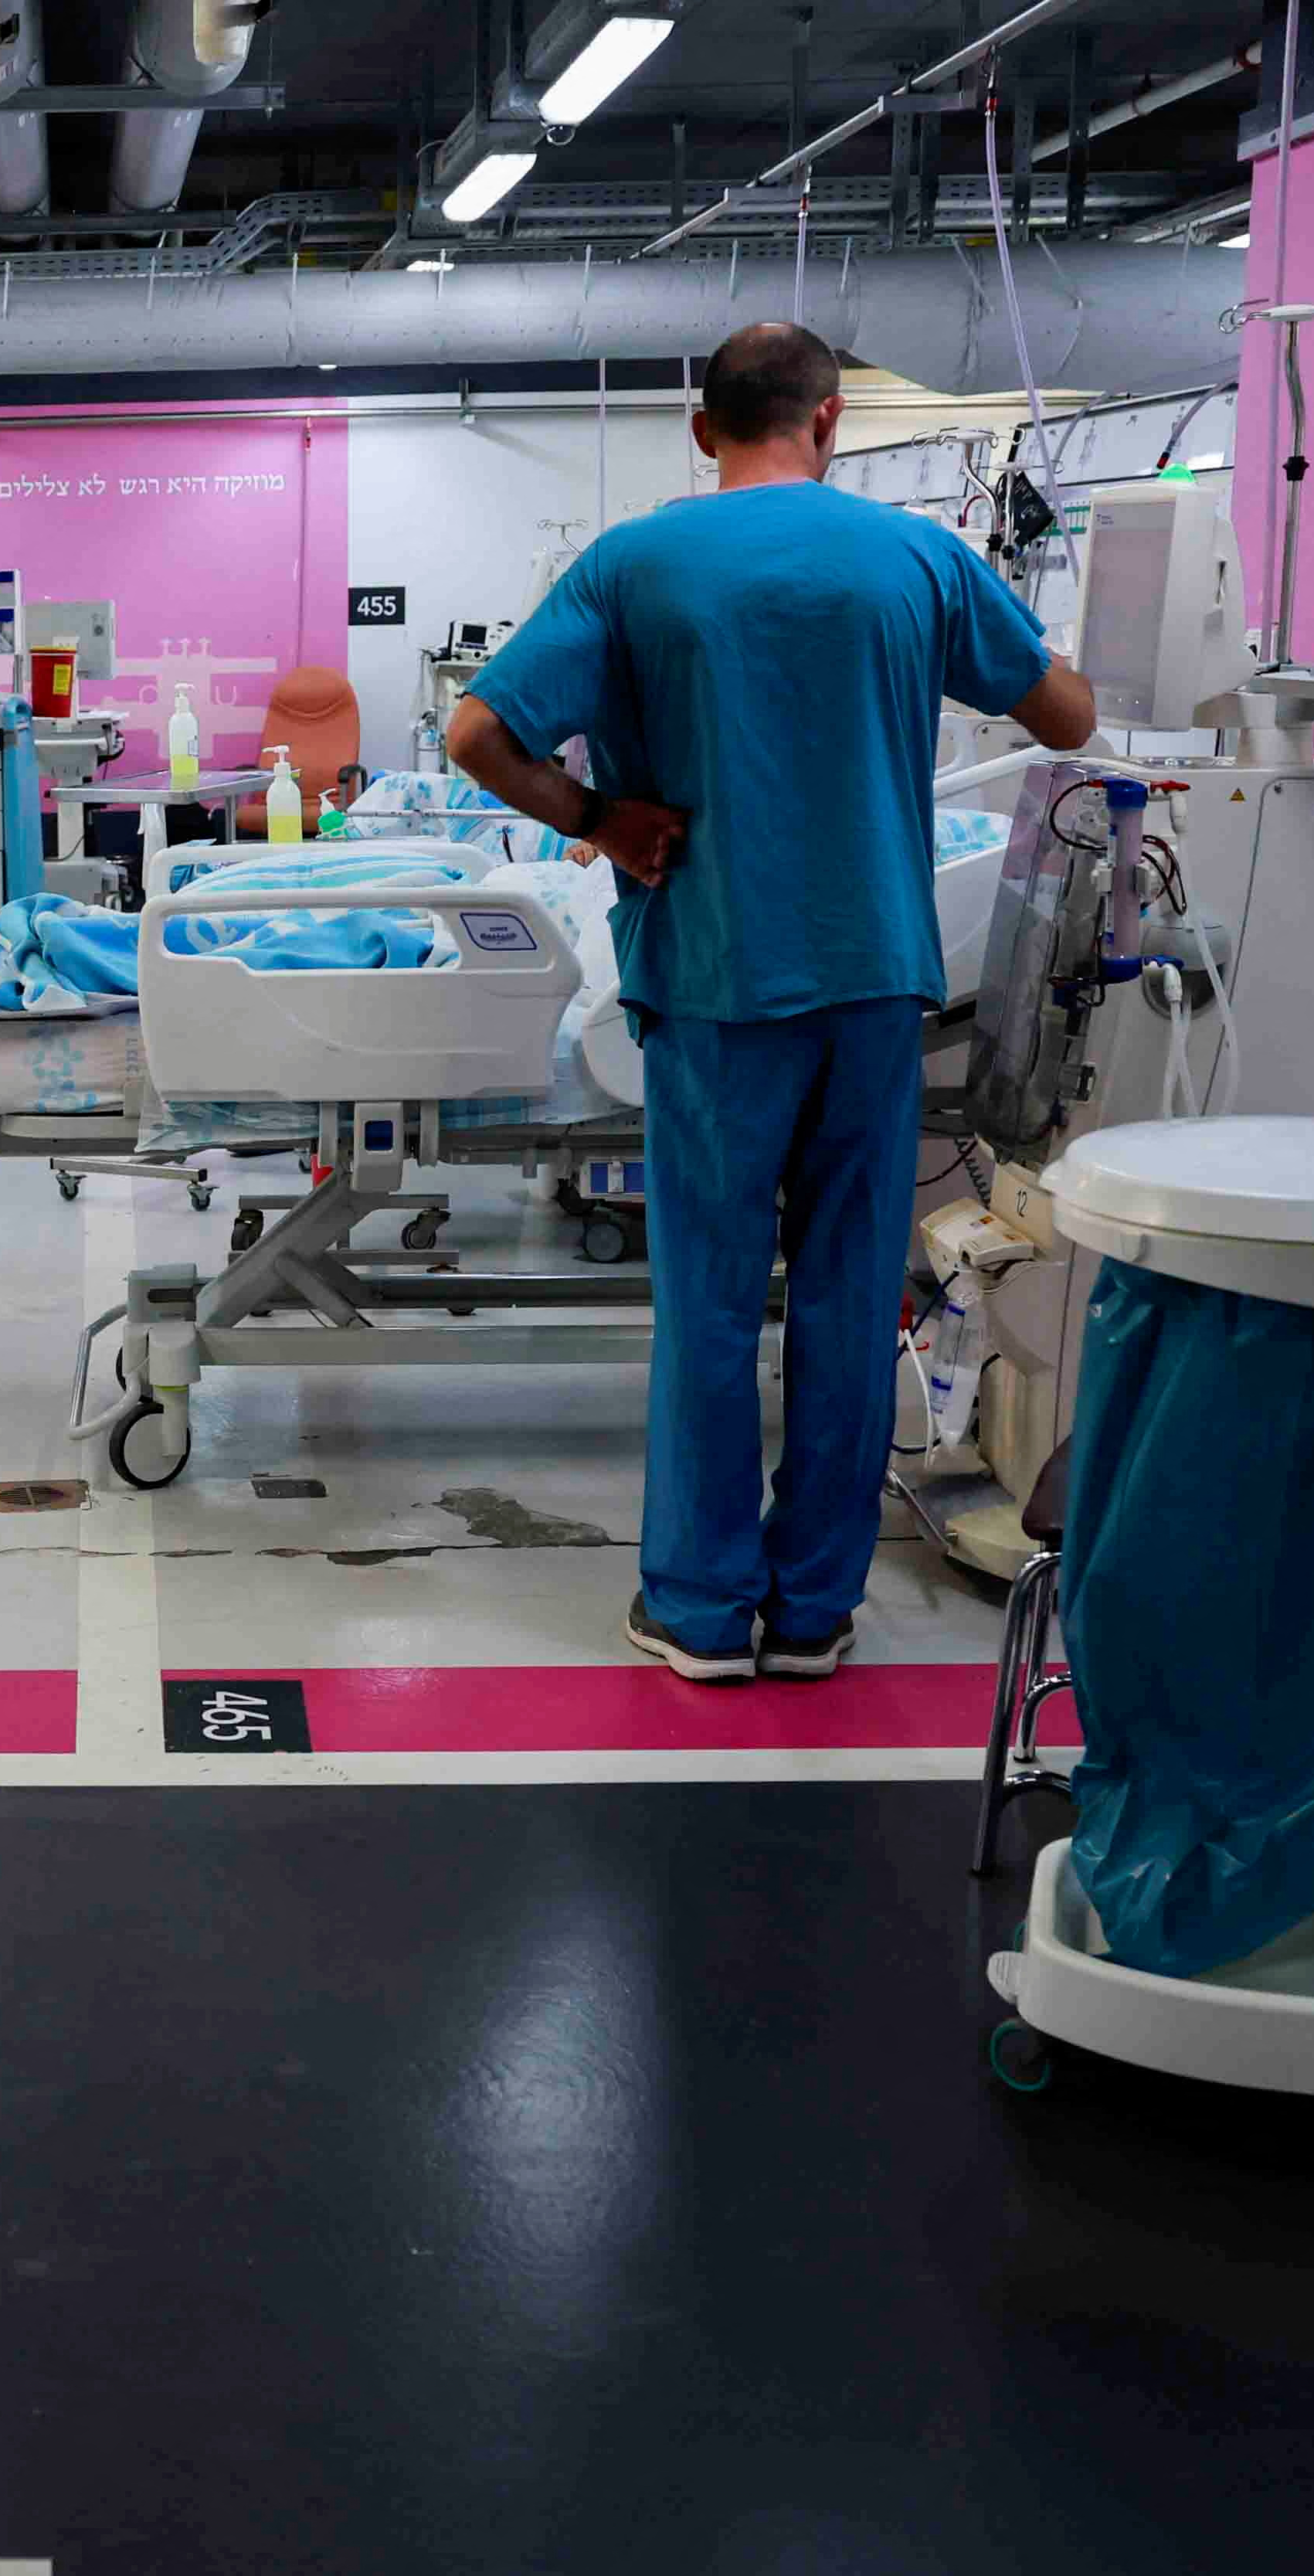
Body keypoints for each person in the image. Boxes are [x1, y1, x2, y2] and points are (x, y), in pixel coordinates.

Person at [450, 319, 1095, 1686]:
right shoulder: (916, 558)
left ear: (703, 429)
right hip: (872, 979)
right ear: (832, 419)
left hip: (716, 976)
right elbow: (1069, 721)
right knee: (856, 1296)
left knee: (709, 1297)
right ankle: (813, 1613)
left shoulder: (637, 562)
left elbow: (476, 734)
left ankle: (696, 1612)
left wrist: (601, 818)